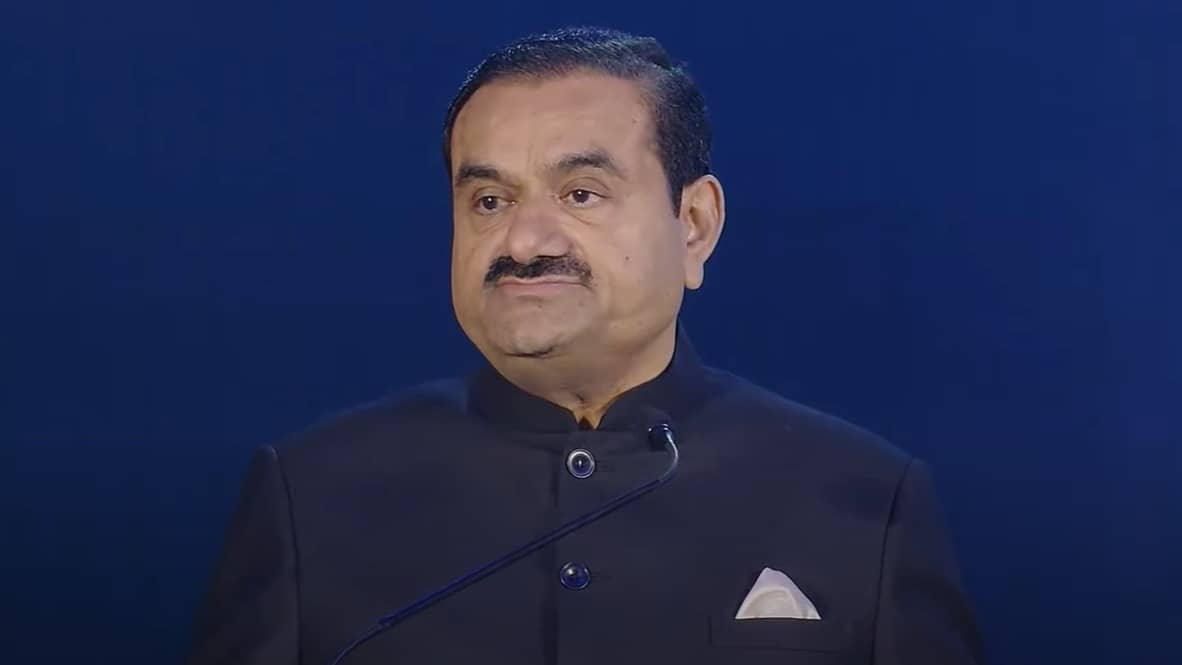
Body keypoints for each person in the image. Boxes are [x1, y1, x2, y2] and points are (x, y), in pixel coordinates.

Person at [185, 27, 984, 665]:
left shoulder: (864, 499)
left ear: (694, 225)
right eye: (488, 199)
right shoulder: (310, 495)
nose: (524, 240)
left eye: (581, 193)